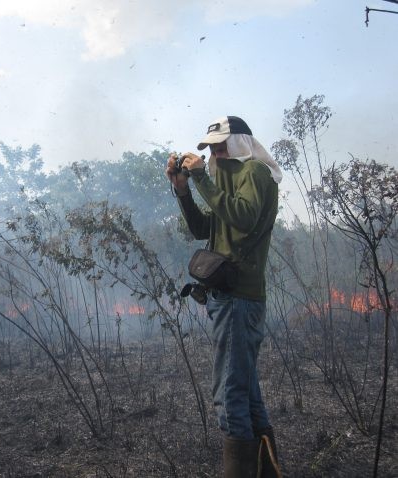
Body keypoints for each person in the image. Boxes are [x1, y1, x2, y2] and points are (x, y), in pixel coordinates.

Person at [165, 116, 282, 478]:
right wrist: (183, 188)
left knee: (229, 397)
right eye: (211, 148)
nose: (215, 154)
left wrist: (201, 178)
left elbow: (244, 217)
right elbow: (203, 229)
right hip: (226, 298)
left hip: (239, 298)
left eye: (220, 146)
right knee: (245, 393)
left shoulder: (256, 174)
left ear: (240, 144)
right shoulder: (224, 181)